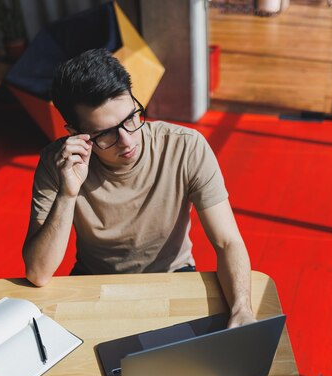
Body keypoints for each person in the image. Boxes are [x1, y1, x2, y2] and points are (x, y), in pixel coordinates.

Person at [22, 49, 254, 328]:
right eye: (106, 133)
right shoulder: (59, 163)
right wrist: (68, 193)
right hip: (94, 282)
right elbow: (38, 273)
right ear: (75, 133)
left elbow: (228, 242)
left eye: (131, 118)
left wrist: (241, 309)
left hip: (173, 275)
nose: (127, 140)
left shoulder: (185, 146)